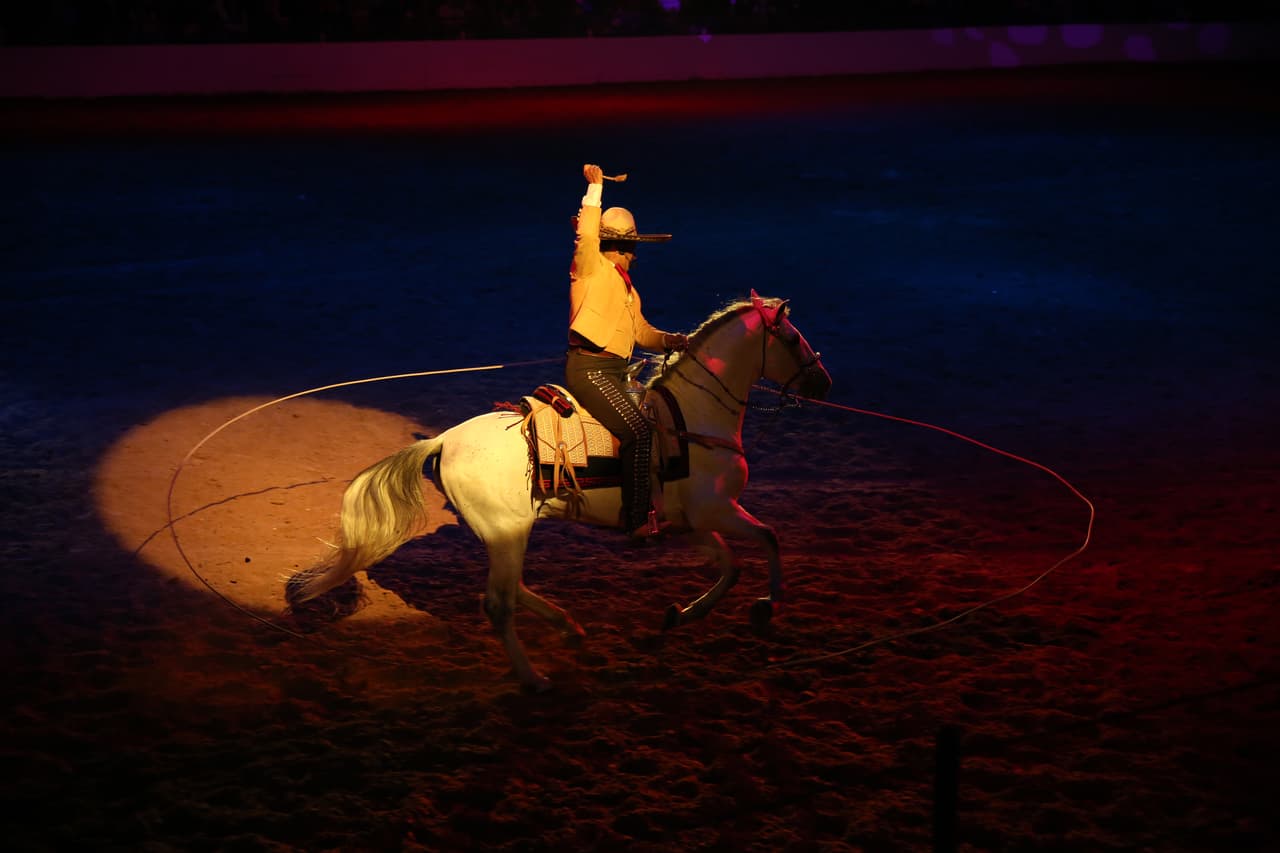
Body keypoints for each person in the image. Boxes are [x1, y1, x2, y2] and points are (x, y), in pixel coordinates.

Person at [563, 163, 688, 539]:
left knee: (657, 424)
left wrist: (669, 340)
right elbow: (586, 236)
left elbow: (641, 332)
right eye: (632, 248)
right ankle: (636, 520)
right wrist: (595, 190)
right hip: (590, 370)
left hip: (617, 372)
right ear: (623, 247)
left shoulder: (629, 289)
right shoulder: (589, 267)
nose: (634, 255)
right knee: (638, 431)